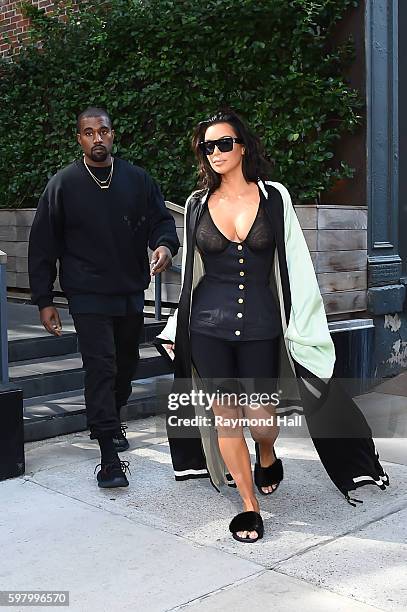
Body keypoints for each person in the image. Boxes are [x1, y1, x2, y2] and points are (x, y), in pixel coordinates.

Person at [156, 109, 389, 543]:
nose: (216, 153)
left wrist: (306, 325)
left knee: (262, 419)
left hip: (263, 327)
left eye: (224, 143)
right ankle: (249, 505)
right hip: (207, 328)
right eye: (208, 146)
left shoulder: (274, 198)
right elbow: (193, 275)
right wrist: (175, 327)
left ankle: (267, 452)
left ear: (243, 147)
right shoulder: (195, 204)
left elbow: (296, 267)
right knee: (227, 417)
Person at [28, 106, 180, 489]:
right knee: (101, 367)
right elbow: (42, 245)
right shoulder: (62, 185)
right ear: (79, 138)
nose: (97, 138)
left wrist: (163, 246)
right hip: (87, 293)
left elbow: (162, 220)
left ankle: (109, 419)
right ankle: (109, 457)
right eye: (89, 132)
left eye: (103, 131)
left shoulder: (137, 179)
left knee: (125, 366)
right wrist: (45, 299)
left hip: (129, 288)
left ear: (113, 134)